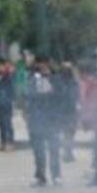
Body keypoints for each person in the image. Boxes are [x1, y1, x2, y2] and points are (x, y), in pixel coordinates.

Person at [24, 56, 64, 186]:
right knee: (38, 150)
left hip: (52, 119)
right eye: (39, 64)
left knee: (54, 148)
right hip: (36, 119)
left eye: (44, 64)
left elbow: (60, 95)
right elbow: (28, 95)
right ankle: (40, 175)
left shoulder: (56, 78)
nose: (42, 67)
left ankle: (56, 175)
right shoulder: (32, 78)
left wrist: (50, 79)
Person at [58, 61, 80, 163]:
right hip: (63, 110)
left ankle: (68, 151)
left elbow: (77, 96)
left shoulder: (74, 82)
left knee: (70, 133)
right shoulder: (58, 82)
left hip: (71, 110)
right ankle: (67, 151)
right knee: (66, 132)